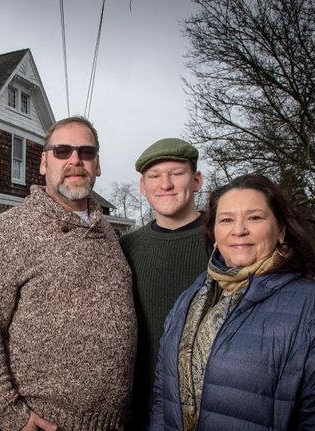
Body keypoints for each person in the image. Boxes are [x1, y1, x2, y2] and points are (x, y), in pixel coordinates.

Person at [150, 174, 315, 430]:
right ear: (214, 233)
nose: (239, 229)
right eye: (226, 219)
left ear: (281, 230)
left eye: (255, 217)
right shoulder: (192, 297)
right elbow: (163, 393)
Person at [0, 116, 137, 431]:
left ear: (97, 165)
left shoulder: (108, 233)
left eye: (86, 152)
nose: (74, 160)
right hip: (42, 424)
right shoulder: (10, 231)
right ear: (44, 163)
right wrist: (10, 414)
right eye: (62, 151)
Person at [119, 138, 209, 428]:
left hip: (209, 409)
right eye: (154, 176)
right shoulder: (125, 248)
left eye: (176, 174)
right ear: (143, 187)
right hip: (137, 411)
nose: (165, 184)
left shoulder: (228, 243)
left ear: (196, 181)